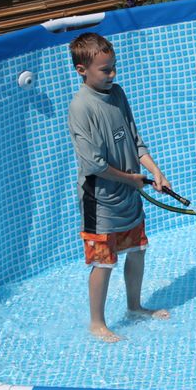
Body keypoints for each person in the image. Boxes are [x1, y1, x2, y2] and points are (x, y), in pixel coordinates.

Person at [67, 32, 171, 342]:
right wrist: (131, 179)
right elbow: (93, 164)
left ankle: (135, 307)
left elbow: (135, 140)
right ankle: (97, 323)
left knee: (137, 251)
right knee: (104, 262)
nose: (112, 74)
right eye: (105, 69)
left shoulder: (117, 93)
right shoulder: (81, 108)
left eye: (114, 67)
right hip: (99, 202)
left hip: (128, 194)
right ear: (82, 70)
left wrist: (156, 172)